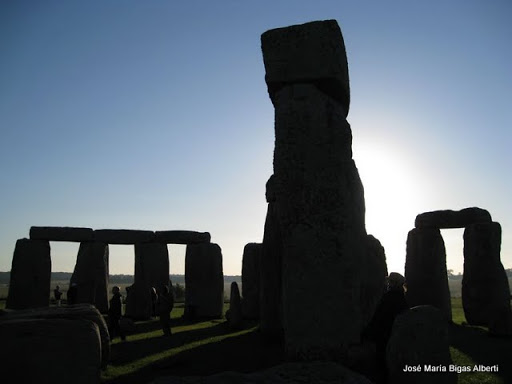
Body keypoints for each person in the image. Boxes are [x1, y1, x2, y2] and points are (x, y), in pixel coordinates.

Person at [363, 272, 409, 384]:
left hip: (384, 335)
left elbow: (379, 316)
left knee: (383, 365)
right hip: (396, 335)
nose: (387, 283)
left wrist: (366, 333)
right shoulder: (402, 298)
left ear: (392, 283)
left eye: (389, 281)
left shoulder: (388, 297)